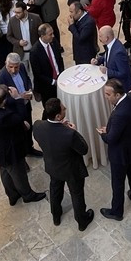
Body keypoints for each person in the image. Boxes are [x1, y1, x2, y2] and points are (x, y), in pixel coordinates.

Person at [32, 98, 93, 231]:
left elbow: (39, 139)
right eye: (63, 108)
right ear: (58, 116)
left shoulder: (38, 125)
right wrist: (74, 131)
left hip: (53, 167)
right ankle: (82, 221)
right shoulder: (69, 134)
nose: (65, 108)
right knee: (77, 195)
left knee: (55, 191)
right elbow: (84, 149)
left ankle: (56, 216)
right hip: (71, 170)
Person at [0, 86, 45, 206]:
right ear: (4, 100)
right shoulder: (5, 117)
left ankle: (12, 195)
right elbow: (21, 117)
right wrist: (17, 98)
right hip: (10, 152)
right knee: (18, 174)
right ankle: (27, 195)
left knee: (5, 172)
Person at [98, 78, 131, 221]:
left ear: (117, 95)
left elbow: (111, 139)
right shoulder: (130, 98)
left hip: (120, 154)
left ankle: (117, 212)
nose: (106, 97)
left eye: (108, 94)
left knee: (117, 183)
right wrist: (111, 130)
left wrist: (104, 133)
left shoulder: (119, 114)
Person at [30, 23, 64, 104]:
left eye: (53, 33)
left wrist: (62, 74)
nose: (53, 36)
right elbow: (38, 74)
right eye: (50, 34)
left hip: (60, 80)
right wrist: (53, 82)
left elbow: (59, 59)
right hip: (47, 86)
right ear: (42, 36)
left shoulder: (54, 42)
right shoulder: (35, 51)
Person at [5, 0, 42, 69]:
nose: (16, 14)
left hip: (34, 52)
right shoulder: (12, 21)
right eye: (15, 12)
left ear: (25, 11)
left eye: (18, 12)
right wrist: (18, 42)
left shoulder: (36, 18)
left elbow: (41, 33)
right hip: (21, 54)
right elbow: (9, 36)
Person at [96, 25, 131, 92]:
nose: (99, 38)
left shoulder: (118, 53)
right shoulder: (110, 44)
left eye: (100, 36)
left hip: (122, 87)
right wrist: (97, 61)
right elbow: (107, 56)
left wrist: (107, 71)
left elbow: (123, 73)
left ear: (107, 38)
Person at [67, 0, 98, 65]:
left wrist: (72, 25)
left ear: (79, 12)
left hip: (86, 56)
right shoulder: (77, 18)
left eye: (71, 12)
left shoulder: (89, 22)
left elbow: (80, 38)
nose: (70, 14)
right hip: (79, 53)